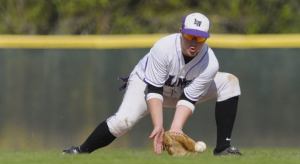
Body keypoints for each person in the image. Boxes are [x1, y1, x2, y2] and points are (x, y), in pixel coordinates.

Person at [63, 12, 242, 156]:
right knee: (123, 121)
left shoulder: (210, 63)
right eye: (189, 35)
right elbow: (154, 90)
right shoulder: (163, 48)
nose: (193, 42)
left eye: (200, 38)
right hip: (145, 84)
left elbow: (188, 98)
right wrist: (158, 126)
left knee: (230, 82)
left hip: (181, 91)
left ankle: (223, 149)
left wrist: (176, 129)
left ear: (206, 39)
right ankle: (81, 151)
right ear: (181, 32)